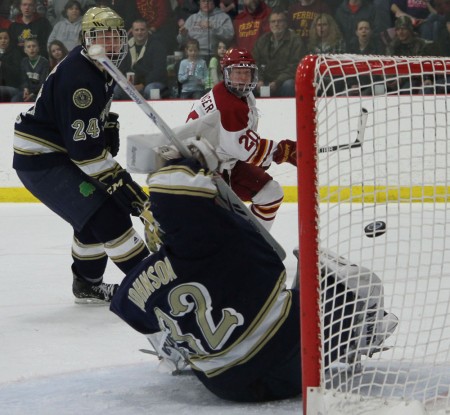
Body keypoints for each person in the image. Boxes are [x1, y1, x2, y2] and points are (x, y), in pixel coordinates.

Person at [109, 151, 398, 402]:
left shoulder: (139, 280)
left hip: (224, 385)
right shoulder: (231, 242)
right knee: (330, 274)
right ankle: (361, 331)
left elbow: (125, 307)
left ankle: (182, 349)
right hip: (287, 365)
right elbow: (274, 265)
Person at [12, 6, 150, 304]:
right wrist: (128, 189)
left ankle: (87, 284)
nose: (111, 45)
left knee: (90, 217)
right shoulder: (80, 78)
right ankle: (155, 288)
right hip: (43, 160)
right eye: (102, 37)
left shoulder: (99, 63)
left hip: (58, 151)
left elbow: (81, 130)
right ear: (86, 39)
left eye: (115, 38)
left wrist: (103, 122)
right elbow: (86, 155)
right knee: (110, 215)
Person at [186, 48, 296, 230]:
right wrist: (281, 152)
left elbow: (241, 144)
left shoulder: (241, 96)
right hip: (204, 171)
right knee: (218, 227)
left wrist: (267, 155)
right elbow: (246, 150)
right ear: (226, 73)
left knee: (270, 193)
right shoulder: (228, 105)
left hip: (226, 161)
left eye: (247, 73)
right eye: (238, 73)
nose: (243, 78)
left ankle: (257, 243)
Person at [114, 18, 169, 100]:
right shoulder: (126, 46)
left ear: (147, 30)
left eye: (142, 30)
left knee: (150, 89)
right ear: (132, 31)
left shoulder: (157, 46)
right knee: (115, 89)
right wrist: (125, 82)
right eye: (136, 30)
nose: (139, 32)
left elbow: (158, 71)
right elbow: (121, 68)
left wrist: (143, 84)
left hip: (153, 82)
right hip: (132, 83)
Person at [252, 9, 303, 97]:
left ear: (286, 24)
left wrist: (277, 82)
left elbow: (294, 66)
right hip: (264, 81)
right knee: (247, 86)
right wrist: (259, 80)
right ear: (269, 24)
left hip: (283, 82)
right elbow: (254, 62)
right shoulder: (262, 40)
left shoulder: (295, 41)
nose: (276, 24)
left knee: (289, 85)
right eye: (273, 21)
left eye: (279, 21)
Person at [12, 37, 49, 102]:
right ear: (25, 50)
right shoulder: (24, 61)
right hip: (28, 91)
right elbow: (23, 79)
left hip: (40, 92)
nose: (31, 48)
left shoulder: (44, 62)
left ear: (38, 48)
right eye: (28, 47)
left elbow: (43, 82)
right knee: (15, 100)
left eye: (34, 46)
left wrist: (33, 94)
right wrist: (25, 89)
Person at [0, 28, 22, 102]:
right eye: (0, 38)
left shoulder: (15, 53)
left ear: (10, 40)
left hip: (12, 87)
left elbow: (18, 73)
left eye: (5, 38)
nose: (3, 41)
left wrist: (2, 65)